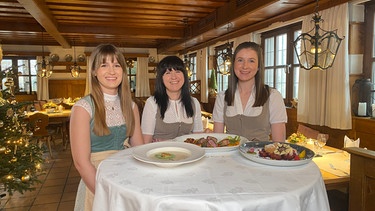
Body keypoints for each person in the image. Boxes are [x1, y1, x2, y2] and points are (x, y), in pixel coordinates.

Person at [70, 43, 144, 210]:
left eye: (117, 65)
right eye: (104, 65)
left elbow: (138, 149)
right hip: (97, 181)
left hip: (127, 178)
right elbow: (81, 163)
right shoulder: (83, 108)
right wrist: (107, 195)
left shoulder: (131, 106)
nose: (112, 71)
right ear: (94, 72)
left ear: (123, 72)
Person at [212, 41, 287, 142]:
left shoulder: (273, 96)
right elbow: (217, 140)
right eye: (240, 60)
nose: (245, 66)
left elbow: (279, 143)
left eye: (251, 61)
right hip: (229, 157)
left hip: (260, 157)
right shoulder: (222, 97)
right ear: (233, 64)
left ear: (259, 66)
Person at [141, 55, 204, 143]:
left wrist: (166, 141)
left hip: (188, 154)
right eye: (168, 73)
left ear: (184, 75)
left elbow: (198, 139)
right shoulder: (152, 103)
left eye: (178, 71)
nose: (173, 77)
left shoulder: (194, 103)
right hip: (159, 154)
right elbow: (145, 142)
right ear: (161, 78)